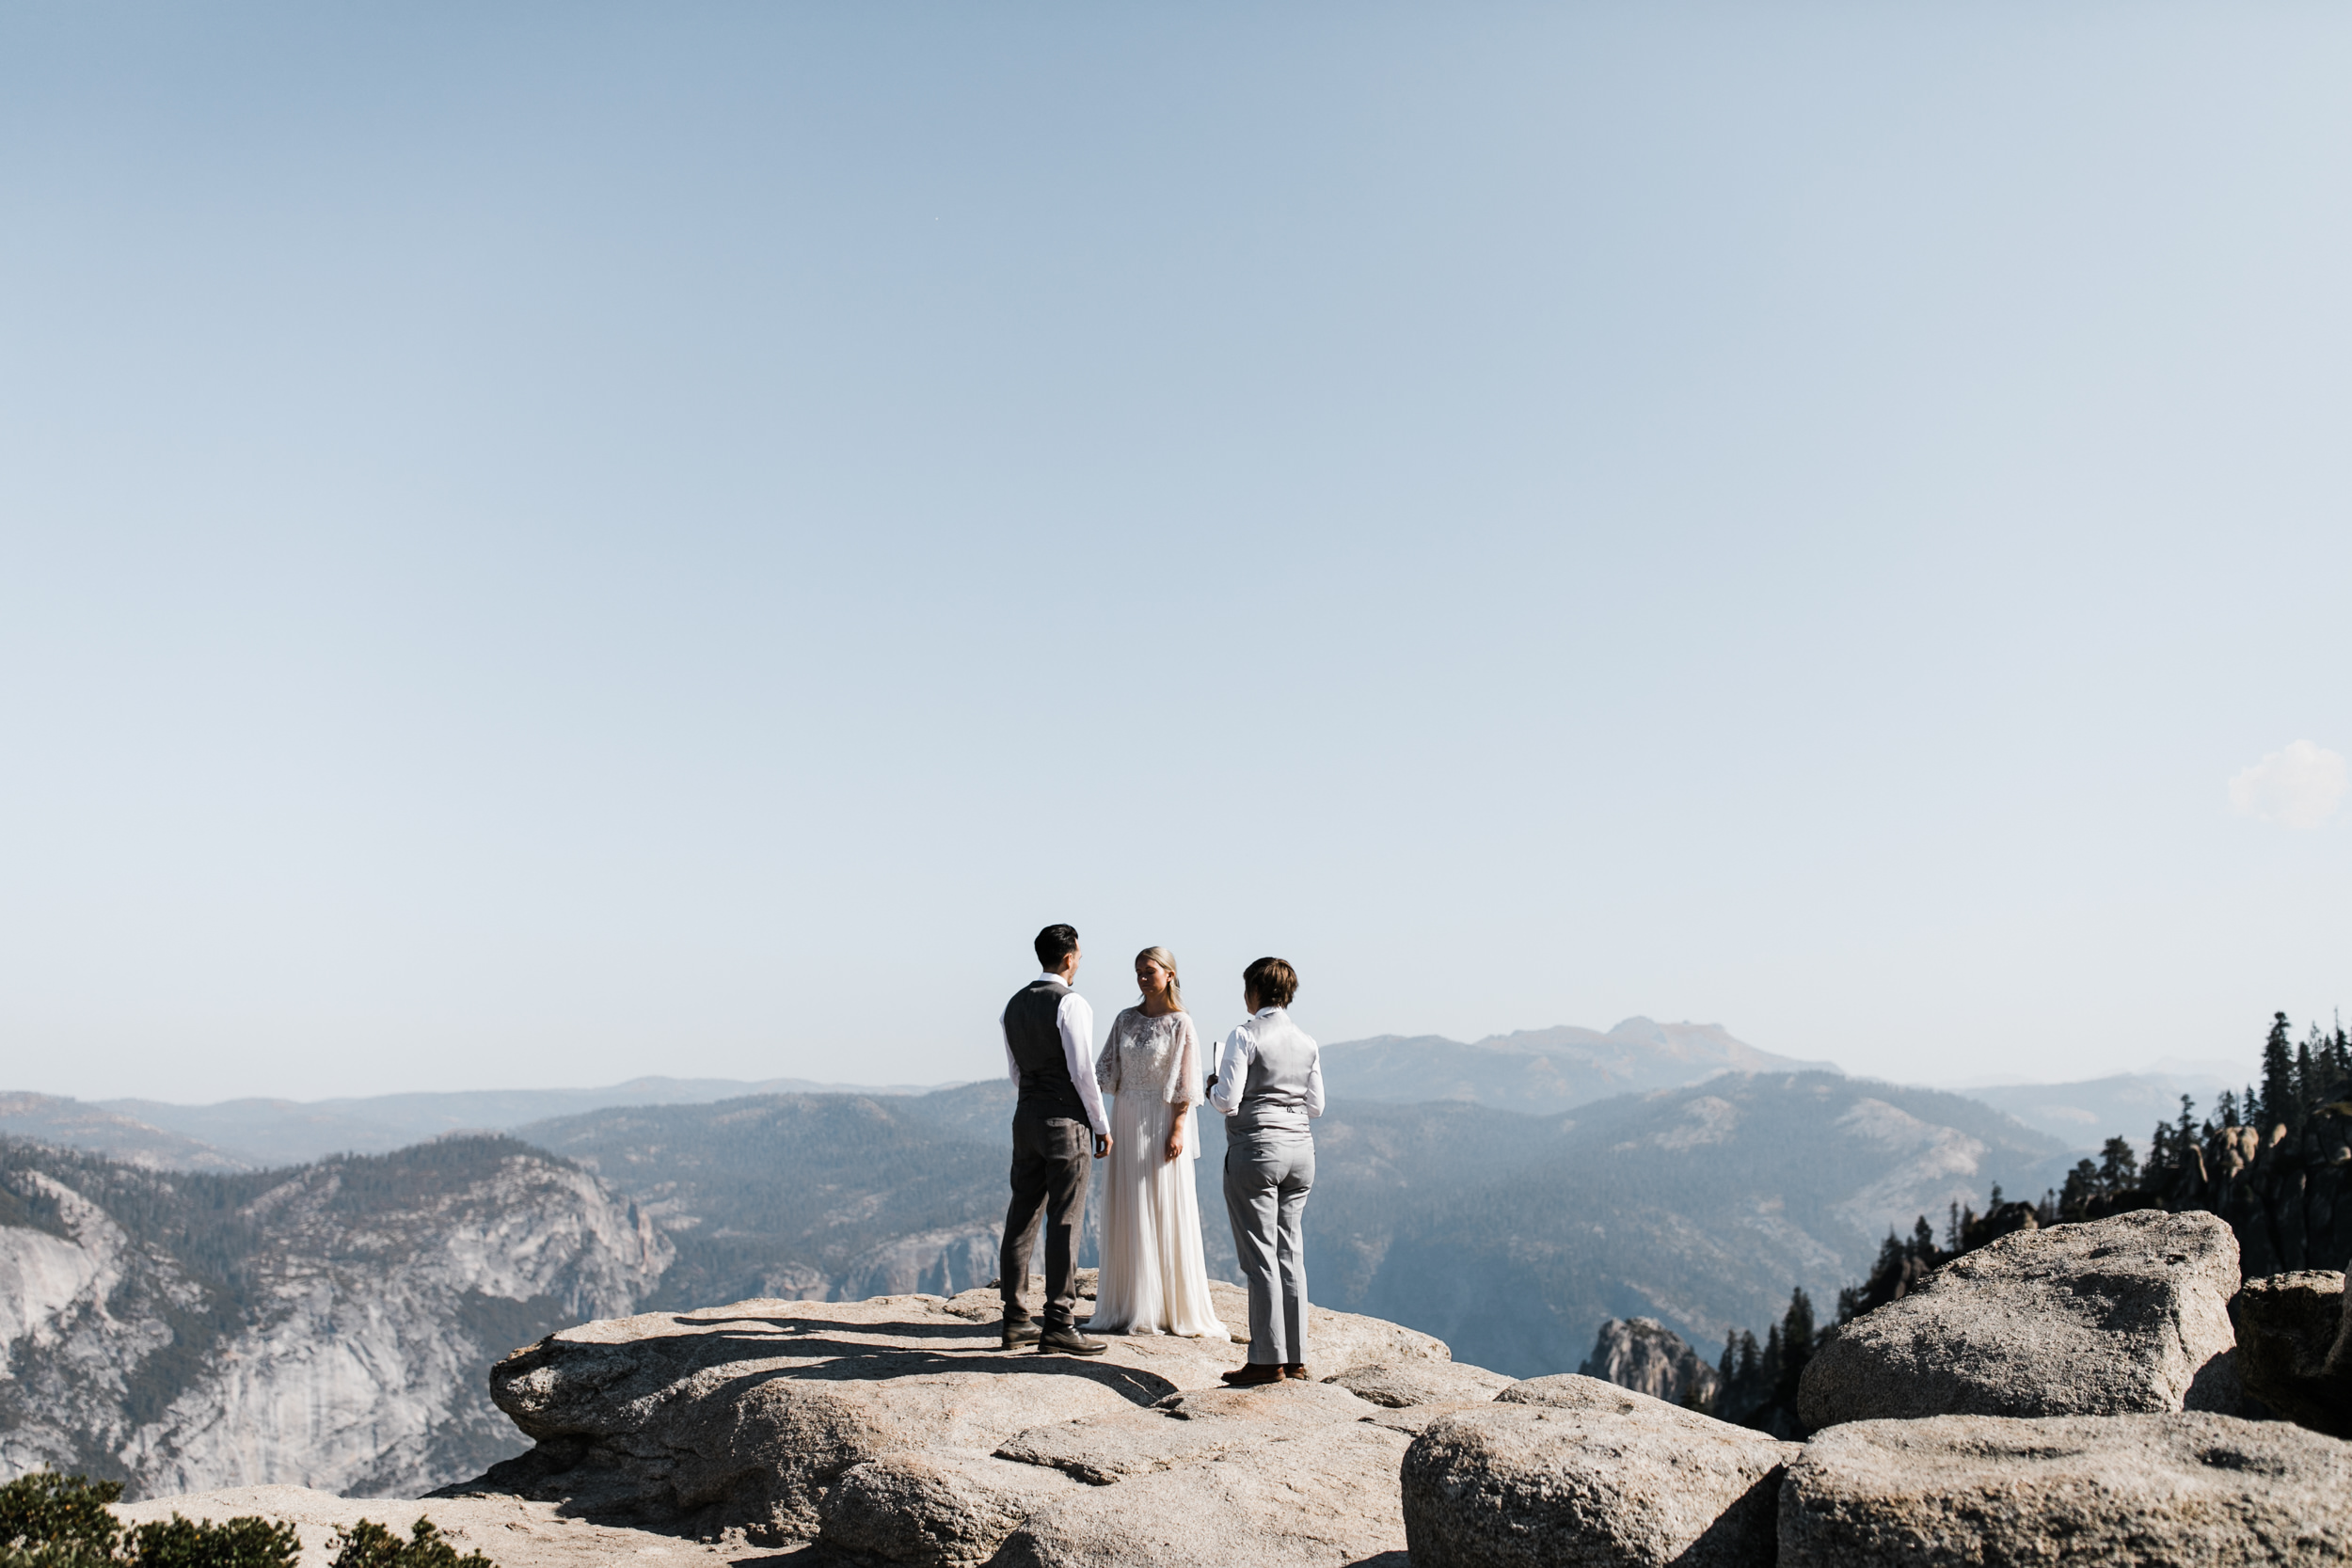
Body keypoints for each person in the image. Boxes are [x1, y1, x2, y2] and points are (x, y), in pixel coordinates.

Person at [1089, 946, 1230, 1340]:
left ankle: (1168, 1305)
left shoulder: (1181, 1023)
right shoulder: (1124, 1019)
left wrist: (1179, 1127)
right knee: (1129, 1204)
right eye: (1138, 971)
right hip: (1127, 1113)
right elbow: (1104, 1069)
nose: (1142, 978)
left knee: (1161, 1202)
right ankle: (1128, 1302)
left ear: (1169, 974)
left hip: (1162, 1118)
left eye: (1149, 971)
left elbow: (1187, 1080)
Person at [998, 923, 1114, 1355]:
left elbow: (1014, 1070)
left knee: (1021, 1217)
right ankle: (1060, 1321)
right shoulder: (1071, 1003)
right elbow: (1083, 1072)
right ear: (1068, 958)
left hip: (1025, 1115)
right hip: (1065, 1120)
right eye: (1079, 956)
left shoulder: (1012, 1004)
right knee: (1064, 1219)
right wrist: (1101, 1125)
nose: (1079, 962)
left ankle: (1014, 1320)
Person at [1209, 956, 1323, 1386]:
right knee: (1290, 1250)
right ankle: (1296, 1356)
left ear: (1254, 992)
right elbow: (1317, 1106)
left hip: (1257, 1147)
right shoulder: (1307, 1041)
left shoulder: (1245, 1034)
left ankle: (1265, 1359)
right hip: (1301, 1152)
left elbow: (1227, 1100)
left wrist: (1211, 1085)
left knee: (1259, 1255)